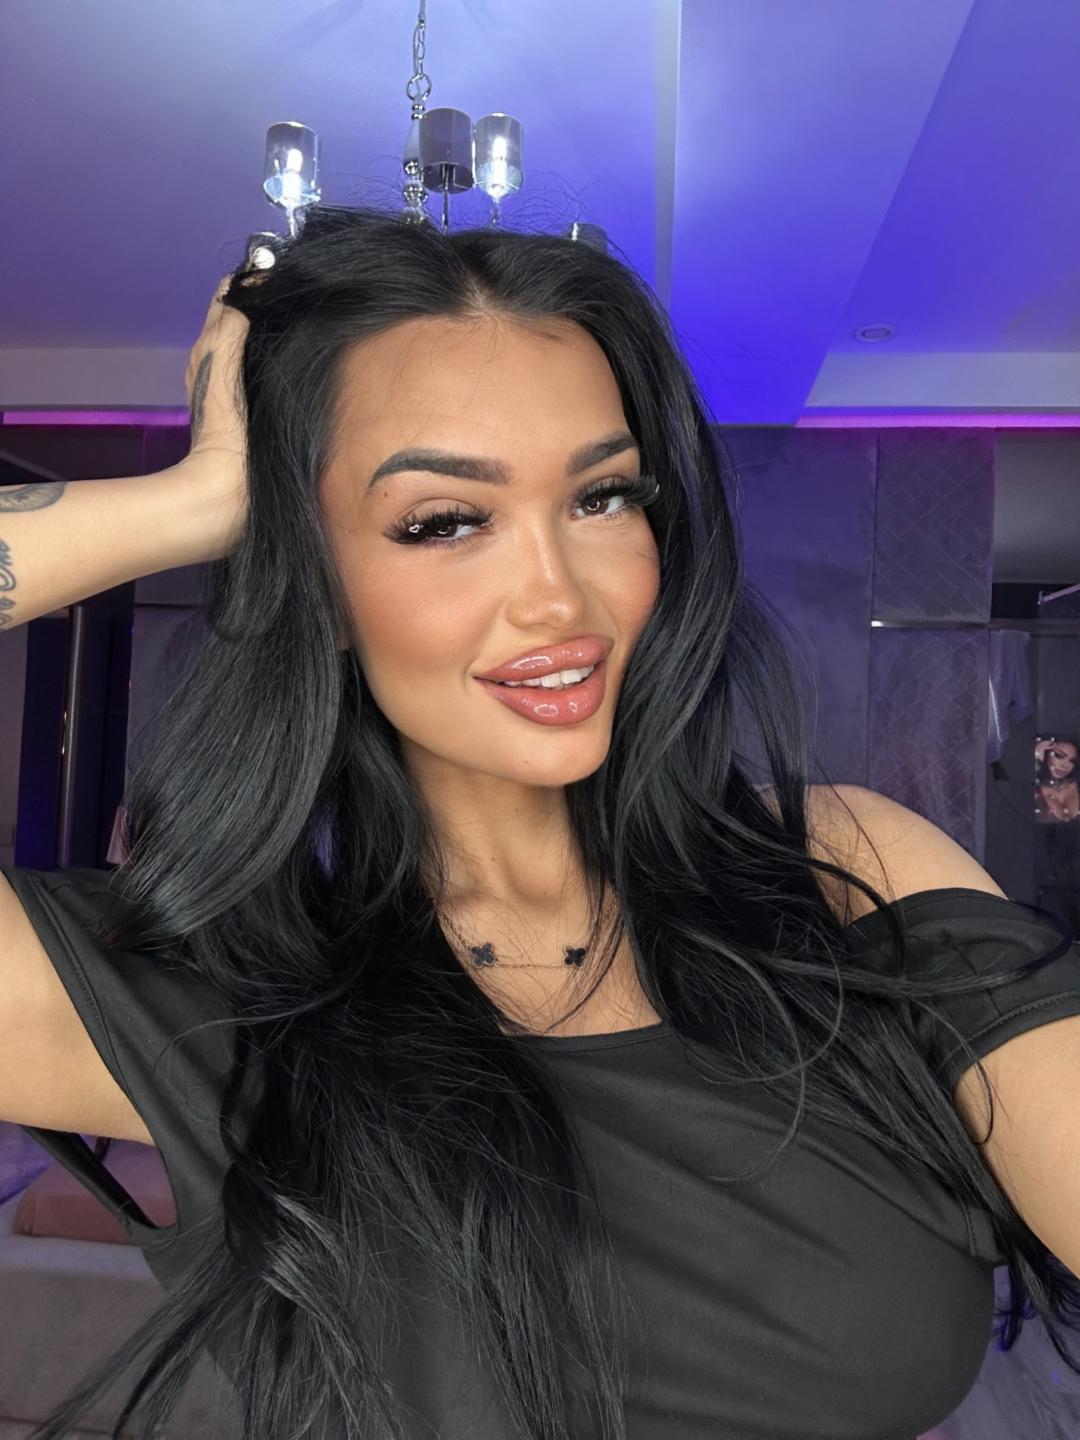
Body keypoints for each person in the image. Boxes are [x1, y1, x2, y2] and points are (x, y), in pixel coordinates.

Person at [2, 204, 1080, 1440]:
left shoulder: (842, 870)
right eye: (444, 520)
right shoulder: (212, 1004)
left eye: (602, 497)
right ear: (318, 581)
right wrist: (192, 505)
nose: (559, 598)